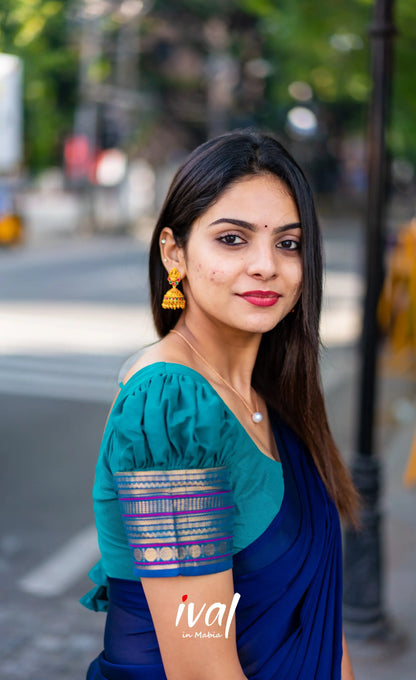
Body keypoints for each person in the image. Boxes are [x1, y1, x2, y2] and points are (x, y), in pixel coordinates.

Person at [81, 130, 358, 680]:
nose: (265, 266)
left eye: (288, 243)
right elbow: (202, 668)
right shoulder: (169, 409)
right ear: (173, 252)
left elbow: (324, 631)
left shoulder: (272, 396)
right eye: (233, 239)